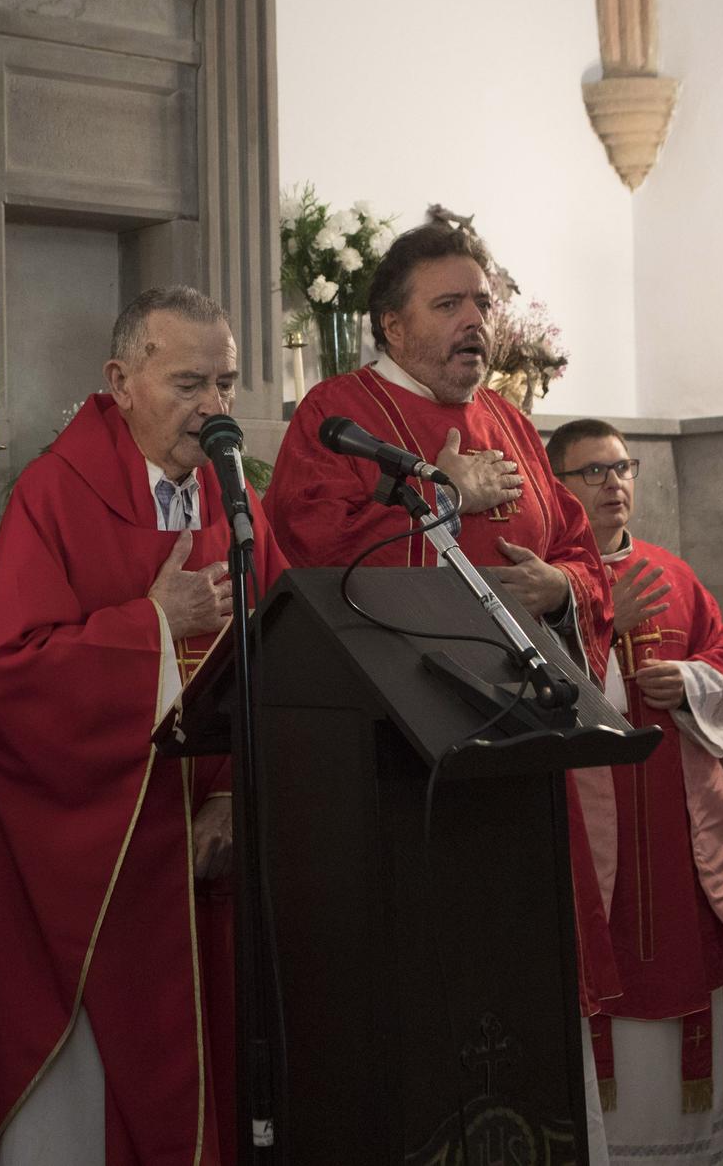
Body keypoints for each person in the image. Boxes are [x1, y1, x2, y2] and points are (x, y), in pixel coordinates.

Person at [263, 212, 619, 1158]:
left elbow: (582, 553)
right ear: (391, 324)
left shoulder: (507, 418)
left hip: (522, 748)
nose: (476, 321)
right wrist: (441, 499)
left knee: (524, 983)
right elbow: (317, 556)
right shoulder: (337, 413)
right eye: (450, 303)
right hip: (399, 760)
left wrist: (563, 587)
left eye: (484, 303)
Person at [0, 287, 290, 1165]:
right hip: (93, 858)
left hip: (206, 853)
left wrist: (233, 796)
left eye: (227, 383)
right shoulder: (55, 493)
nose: (215, 408)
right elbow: (11, 678)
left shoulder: (234, 501)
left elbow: (280, 649)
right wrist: (152, 624)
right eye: (190, 382)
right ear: (121, 379)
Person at [549, 419, 723, 1166]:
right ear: (556, 487)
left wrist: (691, 681)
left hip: (672, 835)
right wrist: (603, 632)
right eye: (592, 471)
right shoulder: (546, 581)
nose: (613, 483)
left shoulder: (675, 573)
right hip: (588, 834)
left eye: (622, 467)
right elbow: (529, 689)